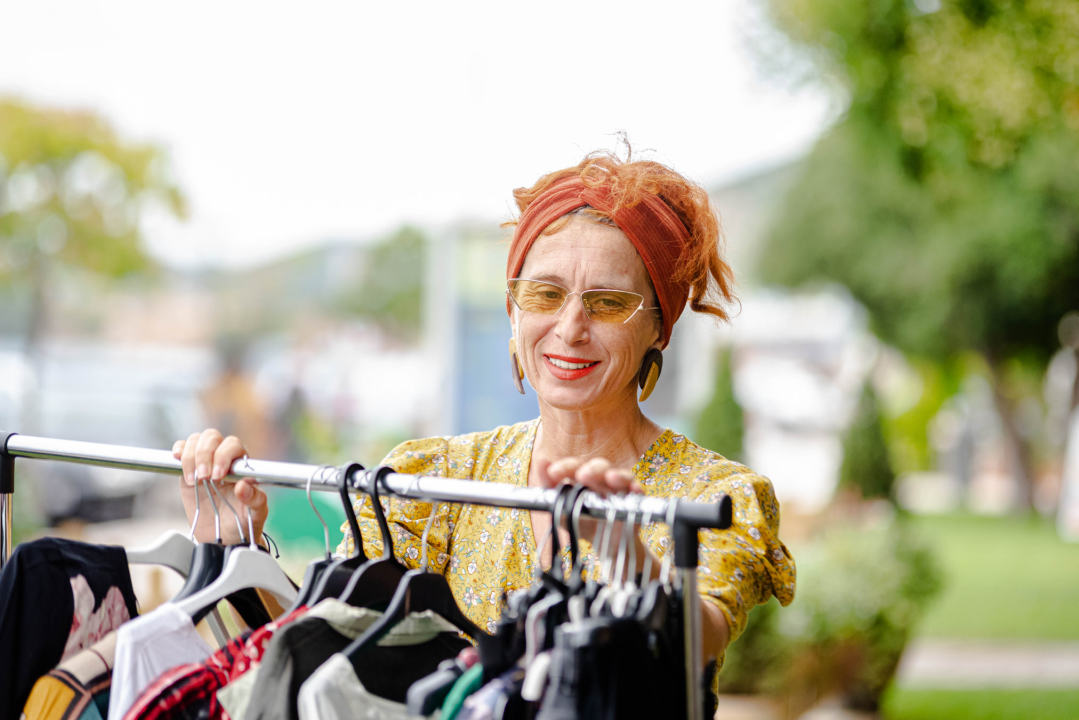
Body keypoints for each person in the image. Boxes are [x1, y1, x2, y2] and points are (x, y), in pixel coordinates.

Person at [174, 150, 796, 679]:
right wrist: (236, 543)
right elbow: (322, 649)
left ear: (659, 327)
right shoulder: (436, 478)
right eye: (545, 294)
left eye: (607, 302)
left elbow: (699, 639)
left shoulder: (714, 496)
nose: (570, 327)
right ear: (512, 310)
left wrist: (630, 561)